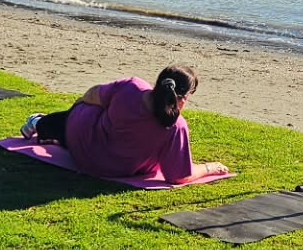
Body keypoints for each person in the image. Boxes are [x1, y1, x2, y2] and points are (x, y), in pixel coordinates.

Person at [22, 65, 226, 184]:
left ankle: (38, 122)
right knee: (80, 117)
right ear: (184, 98)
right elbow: (179, 176)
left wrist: (76, 109)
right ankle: (40, 122)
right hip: (110, 166)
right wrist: (210, 167)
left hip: (82, 146)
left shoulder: (132, 88)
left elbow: (92, 94)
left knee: (79, 116)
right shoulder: (176, 126)